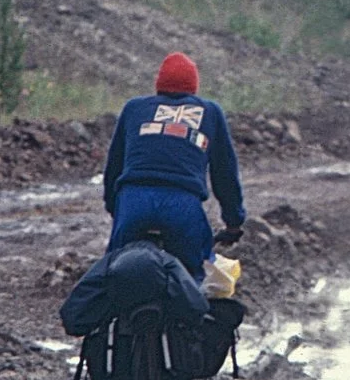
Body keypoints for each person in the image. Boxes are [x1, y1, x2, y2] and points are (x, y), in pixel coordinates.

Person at [102, 50, 246, 283]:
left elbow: (114, 166)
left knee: (113, 272)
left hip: (134, 201)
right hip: (182, 206)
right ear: (194, 87)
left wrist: (116, 209)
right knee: (192, 278)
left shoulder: (134, 108)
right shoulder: (210, 112)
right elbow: (224, 173)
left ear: (158, 84)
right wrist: (233, 221)